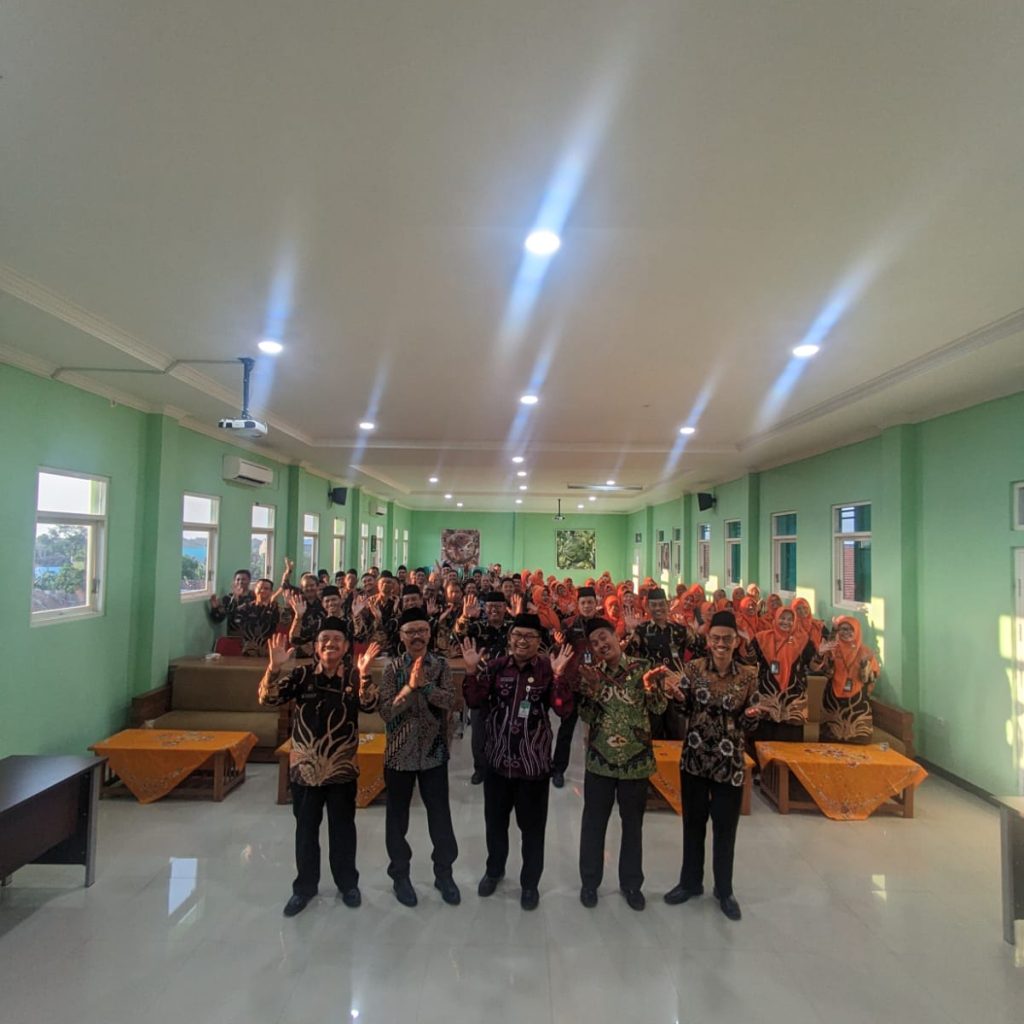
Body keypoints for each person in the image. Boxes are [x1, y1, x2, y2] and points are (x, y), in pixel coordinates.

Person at [259, 618, 379, 917]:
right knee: (305, 832)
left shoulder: (354, 676)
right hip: (305, 771)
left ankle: (347, 884)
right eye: (324, 639)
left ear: (347, 646)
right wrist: (274, 667)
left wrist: (365, 675)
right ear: (315, 646)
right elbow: (267, 698)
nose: (330, 644)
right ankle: (304, 888)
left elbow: (370, 705)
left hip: (341, 770)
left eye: (337, 639)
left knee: (343, 830)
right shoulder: (301, 675)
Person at [461, 615, 574, 909]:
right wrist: (471, 671)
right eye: (517, 635)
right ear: (510, 638)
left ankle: (529, 884)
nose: (522, 641)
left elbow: (562, 710)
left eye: (529, 636)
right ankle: (494, 871)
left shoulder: (547, 670)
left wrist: (559, 677)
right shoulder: (496, 667)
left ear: (539, 641)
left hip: (533, 766)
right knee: (495, 825)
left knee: (532, 831)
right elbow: (474, 701)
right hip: (497, 762)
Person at [662, 610, 762, 921]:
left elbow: (752, 720)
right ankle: (690, 883)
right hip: (694, 759)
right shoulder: (693, 669)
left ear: (736, 642)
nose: (721, 643)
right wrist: (677, 697)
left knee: (725, 827)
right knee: (692, 824)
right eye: (716, 638)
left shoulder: (748, 675)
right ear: (707, 640)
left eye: (727, 639)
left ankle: (724, 889)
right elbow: (684, 709)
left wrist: (752, 717)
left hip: (728, 763)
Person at [576, 618, 668, 911]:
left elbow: (659, 708)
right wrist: (591, 690)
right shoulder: (592, 674)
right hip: (600, 761)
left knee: (632, 826)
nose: (601, 645)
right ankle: (589, 883)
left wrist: (651, 689)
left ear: (617, 636)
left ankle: (631, 884)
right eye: (595, 643)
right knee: (593, 824)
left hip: (635, 761)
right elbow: (586, 716)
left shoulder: (642, 668)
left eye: (604, 638)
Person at [377, 609, 461, 906]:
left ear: (429, 634)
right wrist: (409, 687)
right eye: (410, 631)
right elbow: (386, 711)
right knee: (397, 819)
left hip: (433, 753)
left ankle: (444, 873)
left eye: (422, 631)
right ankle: (400, 875)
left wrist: (425, 686)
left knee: (440, 816)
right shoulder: (391, 669)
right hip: (399, 754)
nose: (417, 636)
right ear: (401, 636)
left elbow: (451, 701)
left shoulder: (441, 666)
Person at [624, 587, 703, 739]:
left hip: (676, 689)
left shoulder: (680, 629)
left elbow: (700, 650)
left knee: (677, 734)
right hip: (652, 690)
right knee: (653, 734)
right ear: (648, 607)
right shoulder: (641, 630)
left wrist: (692, 630)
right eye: (653, 605)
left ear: (668, 605)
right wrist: (629, 631)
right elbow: (628, 654)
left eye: (661, 604)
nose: (658, 608)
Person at [455, 591, 513, 785]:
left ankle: (503, 766)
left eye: (499, 606)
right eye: (490, 606)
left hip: (508, 687)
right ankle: (480, 769)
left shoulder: (513, 627)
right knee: (479, 732)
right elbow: (456, 635)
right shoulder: (476, 627)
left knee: (507, 730)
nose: (494, 610)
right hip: (481, 686)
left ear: (505, 608)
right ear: (485, 608)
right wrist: (464, 616)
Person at [549, 585, 601, 787]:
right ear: (578, 605)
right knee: (566, 730)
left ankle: (598, 770)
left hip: (595, 684)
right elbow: (558, 651)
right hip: (573, 683)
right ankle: (558, 769)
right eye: (583, 603)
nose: (587, 606)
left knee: (598, 729)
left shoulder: (603, 625)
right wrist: (558, 643)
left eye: (590, 602)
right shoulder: (568, 624)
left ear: (596, 603)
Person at [750, 606, 818, 742]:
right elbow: (749, 661)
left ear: (795, 621)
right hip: (767, 695)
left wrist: (820, 654)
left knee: (789, 743)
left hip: (793, 699)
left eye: (790, 619)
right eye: (782, 618)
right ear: (775, 619)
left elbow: (814, 667)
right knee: (764, 740)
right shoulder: (761, 638)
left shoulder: (804, 641)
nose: (785, 622)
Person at [817, 616, 879, 744]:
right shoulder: (833, 649)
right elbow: (824, 672)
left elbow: (870, 680)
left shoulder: (865, 651)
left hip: (857, 703)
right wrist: (822, 654)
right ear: (838, 631)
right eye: (843, 629)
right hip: (833, 701)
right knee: (829, 744)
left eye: (851, 630)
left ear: (857, 631)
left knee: (858, 746)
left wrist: (864, 665)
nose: (847, 633)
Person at [235, 576, 280, 655]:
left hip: (268, 649)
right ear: (255, 589)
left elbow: (283, 625)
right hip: (248, 648)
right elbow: (237, 627)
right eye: (260, 588)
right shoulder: (244, 608)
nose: (262, 590)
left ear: (271, 592)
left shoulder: (276, 609)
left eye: (266, 588)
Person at [208, 569, 253, 634]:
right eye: (238, 579)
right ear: (234, 581)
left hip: (252, 635)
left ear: (249, 581)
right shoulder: (228, 598)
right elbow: (218, 619)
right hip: (233, 634)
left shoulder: (255, 597)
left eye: (243, 579)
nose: (240, 582)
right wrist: (215, 608)